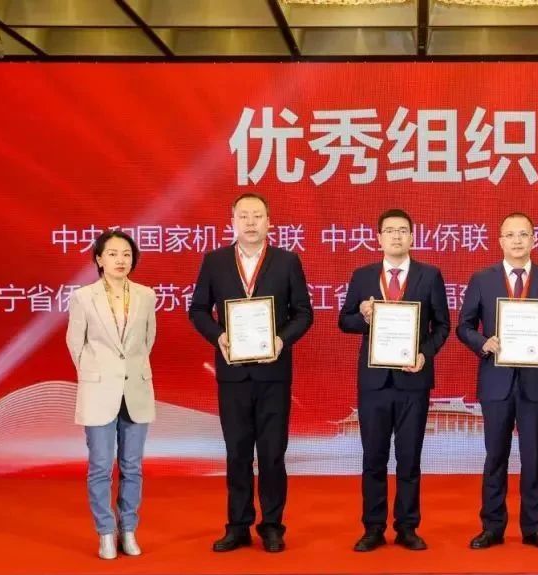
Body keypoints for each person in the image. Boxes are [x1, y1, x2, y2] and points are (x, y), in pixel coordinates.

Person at [189, 192, 313, 553]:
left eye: (257, 216)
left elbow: (303, 313)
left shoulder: (287, 261)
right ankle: (238, 525)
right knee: (238, 452)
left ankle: (272, 526)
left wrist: (280, 339)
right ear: (232, 222)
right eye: (243, 216)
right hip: (233, 374)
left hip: (273, 373)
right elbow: (198, 310)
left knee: (272, 454)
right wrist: (219, 336)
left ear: (269, 222)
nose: (250, 222)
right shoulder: (215, 261)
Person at [456, 212, 538, 551]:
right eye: (510, 235)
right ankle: (492, 526)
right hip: (496, 380)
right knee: (495, 456)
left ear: (534, 239)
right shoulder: (482, 280)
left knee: (533, 456)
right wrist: (483, 342)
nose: (517, 241)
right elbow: (464, 326)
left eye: (523, 234)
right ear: (500, 241)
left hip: (535, 382)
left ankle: (534, 527)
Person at [338, 209, 450, 552]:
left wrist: (425, 354)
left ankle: (407, 526)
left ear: (413, 237)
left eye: (403, 230)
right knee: (373, 458)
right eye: (389, 231)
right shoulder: (363, 276)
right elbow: (344, 321)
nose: (396, 236)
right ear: (379, 238)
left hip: (413, 380)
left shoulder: (429, 275)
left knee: (409, 458)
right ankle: (373, 528)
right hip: (374, 382)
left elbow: (442, 325)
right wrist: (364, 316)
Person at [66, 229, 156, 560]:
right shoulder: (83, 297)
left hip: (135, 388)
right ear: (99, 259)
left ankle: (128, 529)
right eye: (113, 254)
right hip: (99, 390)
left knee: (132, 466)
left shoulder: (146, 295)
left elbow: (148, 340)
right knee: (101, 466)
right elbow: (75, 343)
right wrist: (97, 373)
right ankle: (105, 531)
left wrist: (128, 369)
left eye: (127, 254)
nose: (121, 260)